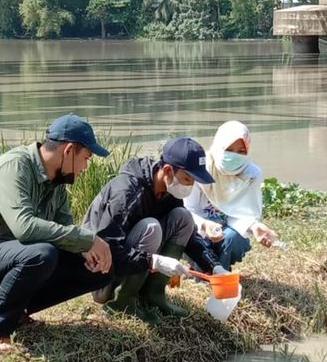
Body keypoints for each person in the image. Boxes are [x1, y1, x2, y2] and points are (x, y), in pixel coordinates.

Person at [0, 113, 114, 351]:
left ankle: (17, 312)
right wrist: (87, 239)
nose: (86, 167)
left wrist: (88, 251)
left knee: (99, 270)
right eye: (86, 158)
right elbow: (23, 226)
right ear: (68, 150)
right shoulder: (15, 166)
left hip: (10, 261)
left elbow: (67, 230)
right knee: (42, 254)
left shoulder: (58, 182)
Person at [82, 137, 222, 324]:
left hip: (134, 265)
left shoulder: (167, 192)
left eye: (193, 181)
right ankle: (121, 303)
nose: (189, 186)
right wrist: (153, 261)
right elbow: (108, 249)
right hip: (101, 275)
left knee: (183, 217)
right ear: (167, 170)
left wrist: (213, 266)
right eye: (187, 179)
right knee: (151, 227)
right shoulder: (126, 192)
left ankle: (153, 295)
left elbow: (190, 237)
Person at [184, 121, 278, 271]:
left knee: (232, 239)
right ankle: (202, 269)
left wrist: (254, 226)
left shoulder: (251, 174)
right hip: (200, 228)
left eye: (241, 151)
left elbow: (246, 213)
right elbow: (188, 210)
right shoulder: (202, 168)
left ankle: (221, 273)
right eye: (229, 149)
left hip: (227, 230)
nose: (234, 156)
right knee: (191, 237)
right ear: (219, 146)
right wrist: (205, 225)